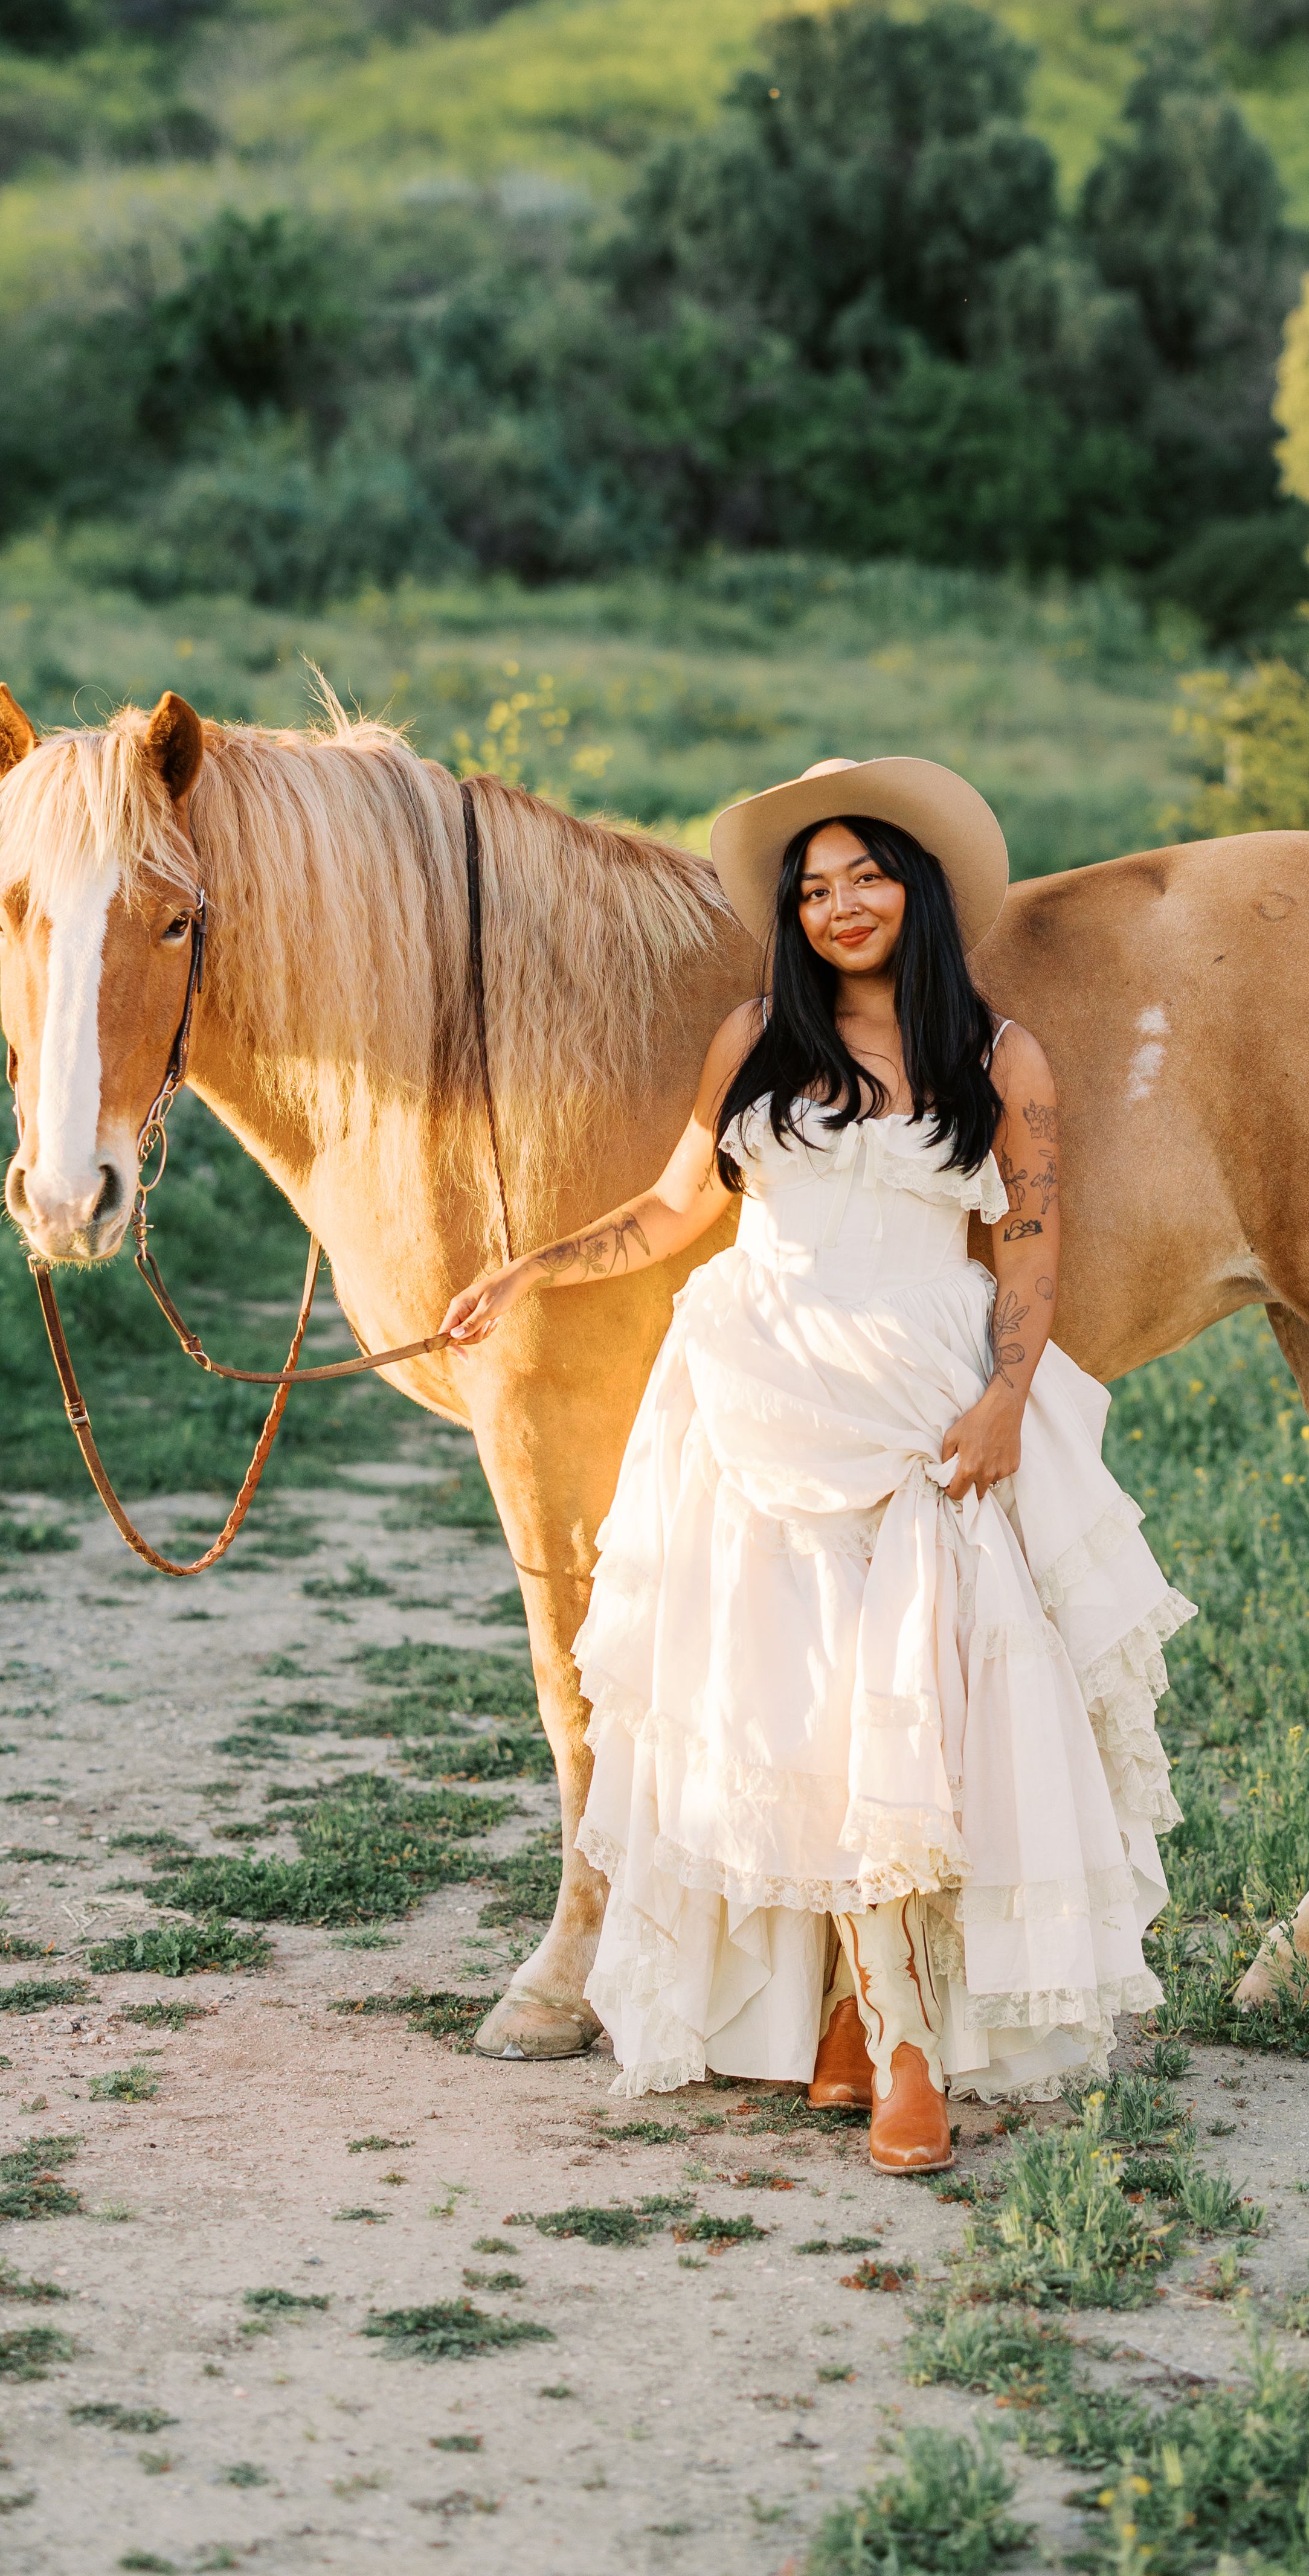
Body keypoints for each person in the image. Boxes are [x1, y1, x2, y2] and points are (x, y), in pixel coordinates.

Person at [443, 756, 1192, 2173]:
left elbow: (1027, 1249)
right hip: (752, 1392)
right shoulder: (754, 1042)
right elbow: (675, 1210)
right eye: (812, 886)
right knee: (789, 1713)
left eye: (864, 876)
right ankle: (856, 2020)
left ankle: (904, 2047)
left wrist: (1007, 1397)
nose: (838, 904)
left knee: (906, 1713)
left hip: (915, 1403)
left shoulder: (999, 1059)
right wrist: (530, 1268)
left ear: (915, 890)